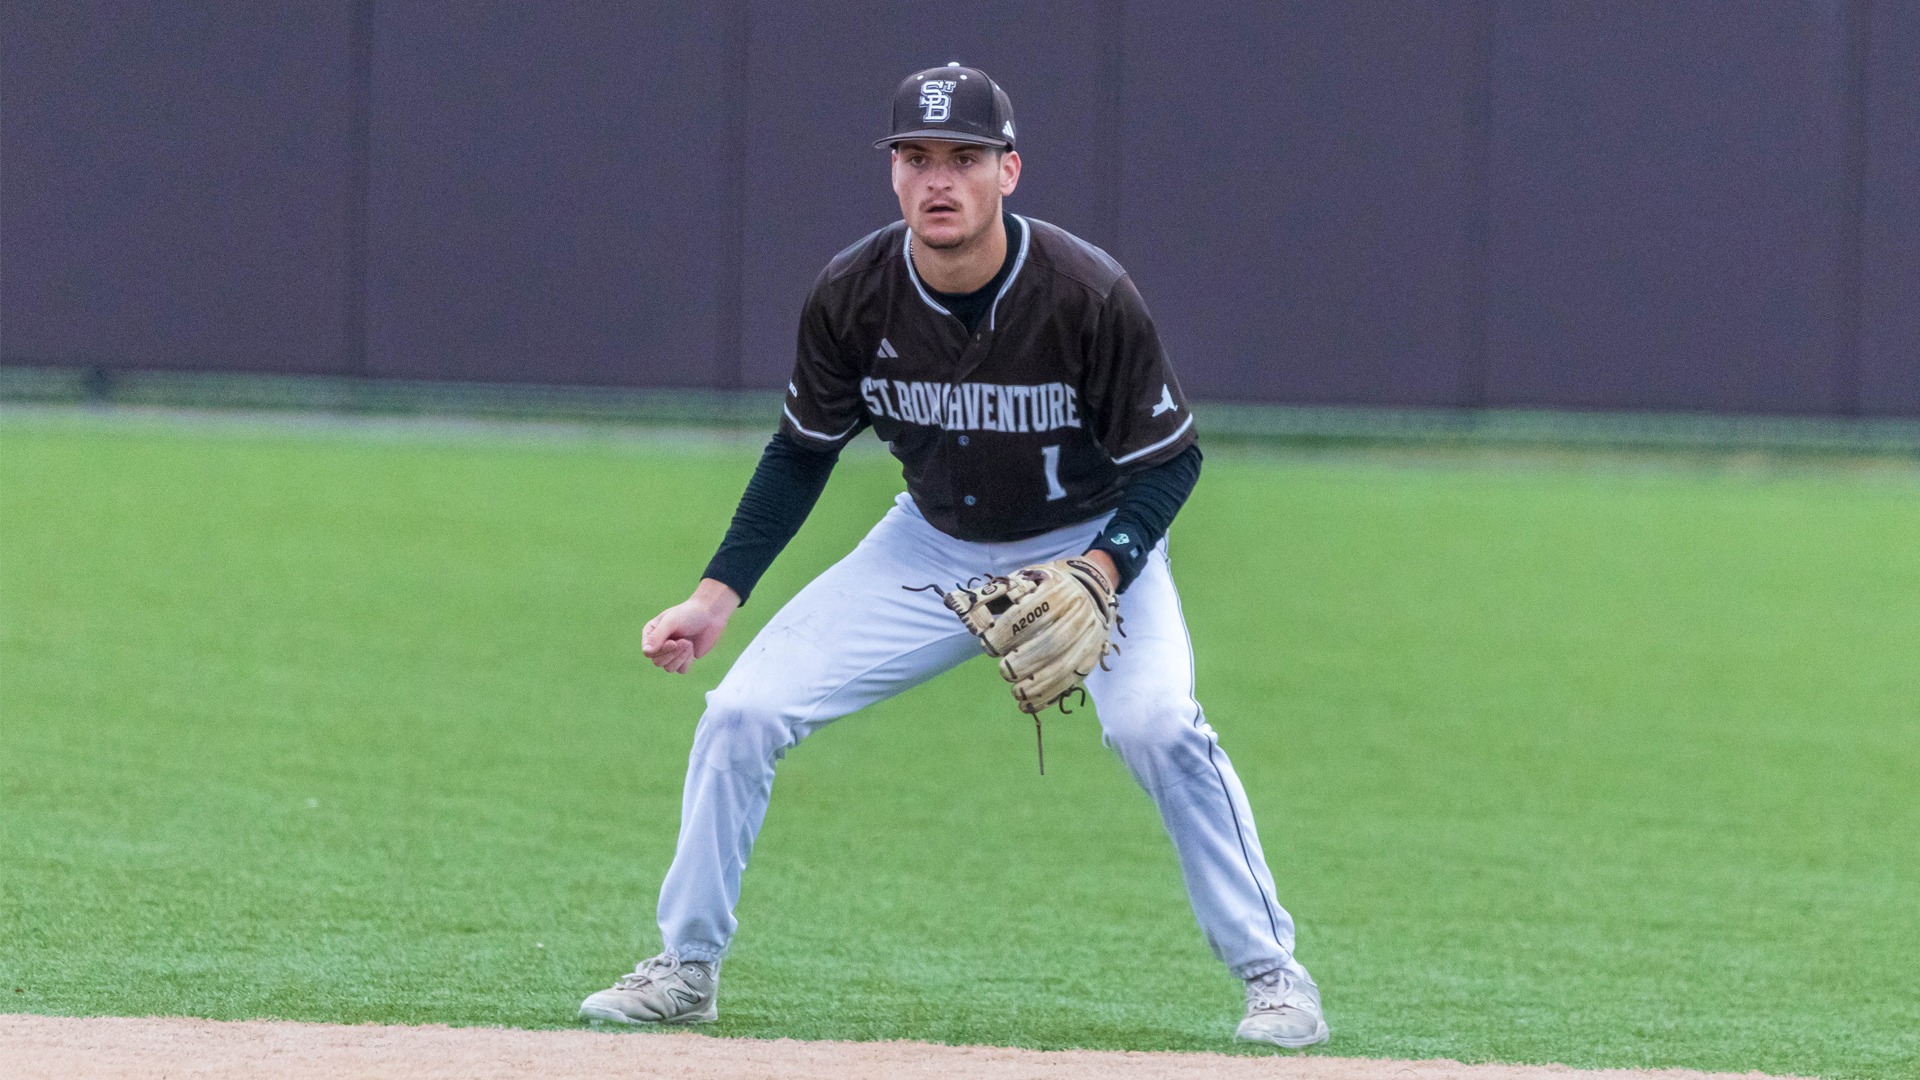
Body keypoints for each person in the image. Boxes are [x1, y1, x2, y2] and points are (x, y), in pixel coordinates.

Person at [578, 63, 1327, 1049]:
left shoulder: (1086, 294)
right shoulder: (853, 295)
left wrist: (1104, 572)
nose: (940, 179)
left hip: (1087, 542)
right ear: (893, 175)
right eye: (917, 157)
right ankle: (686, 966)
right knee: (743, 713)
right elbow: (802, 452)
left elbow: (1171, 463)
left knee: (1153, 726)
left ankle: (1275, 978)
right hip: (930, 543)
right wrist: (717, 597)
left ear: (1009, 171)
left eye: (965, 158)